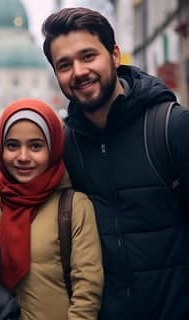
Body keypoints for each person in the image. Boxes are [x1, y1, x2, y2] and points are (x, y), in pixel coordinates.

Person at [42, 7, 189, 320]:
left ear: (114, 55)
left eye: (88, 56)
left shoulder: (171, 127)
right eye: (64, 64)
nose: (79, 71)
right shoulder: (65, 147)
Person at [0, 98, 103, 320]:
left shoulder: (73, 206)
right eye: (12, 145)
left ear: (53, 148)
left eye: (35, 146)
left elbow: (87, 289)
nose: (23, 157)